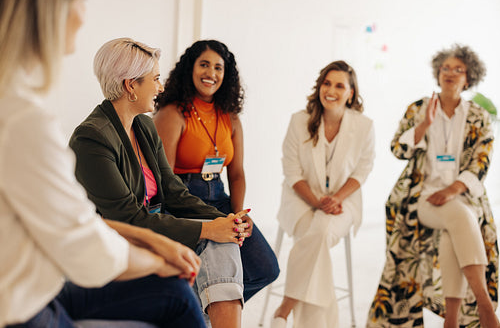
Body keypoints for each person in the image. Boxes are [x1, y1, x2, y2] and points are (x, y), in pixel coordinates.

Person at [0, 0, 205, 327]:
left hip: (43, 282)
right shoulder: (30, 121)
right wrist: (156, 260)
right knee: (178, 290)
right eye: (78, 1)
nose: (83, 16)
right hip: (25, 307)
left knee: (183, 291)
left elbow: (76, 220)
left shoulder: (143, 125)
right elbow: (84, 248)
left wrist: (159, 242)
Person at [69, 37, 250, 328]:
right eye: (155, 79)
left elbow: (173, 190)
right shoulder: (92, 138)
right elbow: (128, 218)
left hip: (154, 228)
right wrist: (208, 228)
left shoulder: (142, 125)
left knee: (224, 245)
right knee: (215, 246)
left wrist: (224, 220)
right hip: (120, 241)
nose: (161, 87)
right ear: (130, 85)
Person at [367, 44, 499, 328]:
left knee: (456, 228)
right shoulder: (419, 108)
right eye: (445, 68)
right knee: (460, 218)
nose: (450, 73)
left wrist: (451, 191)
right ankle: (485, 306)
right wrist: (424, 125)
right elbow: (398, 149)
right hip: (423, 198)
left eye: (458, 69)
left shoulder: (478, 116)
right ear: (437, 73)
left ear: (469, 77)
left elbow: (481, 163)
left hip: (462, 196)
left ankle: (450, 321)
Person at [153, 39, 279, 301]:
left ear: (226, 74)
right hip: (183, 199)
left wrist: (238, 213)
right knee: (192, 274)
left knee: (265, 268)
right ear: (191, 69)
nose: (211, 73)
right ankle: (195, 313)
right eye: (204, 65)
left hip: (219, 197)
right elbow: (165, 179)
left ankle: (203, 313)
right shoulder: (173, 113)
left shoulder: (230, 116)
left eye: (218, 68)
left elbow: (236, 173)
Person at [271, 61, 375, 328]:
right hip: (301, 200)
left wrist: (337, 199)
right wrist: (318, 202)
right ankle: (292, 316)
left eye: (339, 85)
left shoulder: (364, 126)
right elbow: (292, 172)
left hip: (344, 202)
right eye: (326, 83)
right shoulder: (299, 121)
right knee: (316, 238)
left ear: (351, 93)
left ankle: (284, 308)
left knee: (316, 234)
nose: (331, 90)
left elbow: (363, 170)